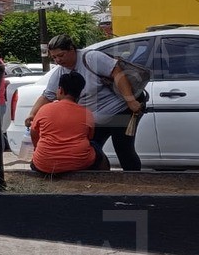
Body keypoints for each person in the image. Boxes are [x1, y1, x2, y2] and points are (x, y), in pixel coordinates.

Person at [25, 34, 142, 171]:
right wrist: (32, 114)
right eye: (54, 57)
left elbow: (118, 73)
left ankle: (136, 180)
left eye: (61, 55)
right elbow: (47, 95)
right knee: (90, 149)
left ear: (71, 49)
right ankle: (98, 181)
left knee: (123, 148)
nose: (58, 60)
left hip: (119, 111)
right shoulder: (60, 73)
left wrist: (130, 100)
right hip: (94, 119)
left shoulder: (92, 58)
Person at [29, 71, 110, 174]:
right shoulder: (87, 113)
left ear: (60, 90)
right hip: (79, 163)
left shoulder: (44, 109)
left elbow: (34, 133)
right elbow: (89, 137)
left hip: (44, 164)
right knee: (95, 146)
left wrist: (39, 148)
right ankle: (104, 178)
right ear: (80, 92)